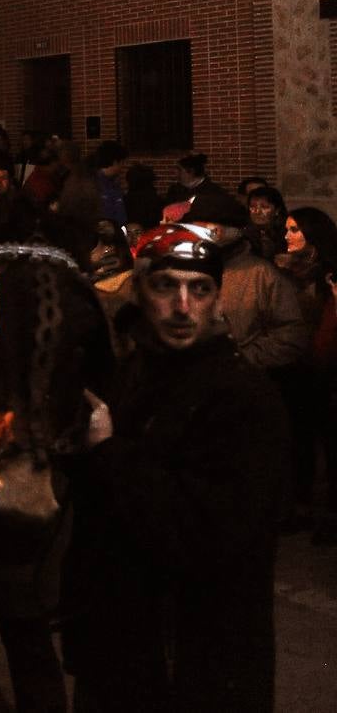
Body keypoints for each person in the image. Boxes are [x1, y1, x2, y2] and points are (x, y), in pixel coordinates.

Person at [62, 221, 285, 711]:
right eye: (166, 286)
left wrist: (108, 452)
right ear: (139, 291)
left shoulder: (242, 396)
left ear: (219, 301)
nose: (183, 307)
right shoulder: (131, 377)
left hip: (194, 669)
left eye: (200, 289)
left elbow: (206, 531)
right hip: (123, 658)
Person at [183, 194, 306, 372]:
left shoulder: (261, 274)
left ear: (218, 232)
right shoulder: (187, 269)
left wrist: (238, 360)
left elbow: (289, 336)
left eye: (198, 230)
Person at [274, 206, 337, 541]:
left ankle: (328, 515)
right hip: (295, 369)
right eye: (287, 228)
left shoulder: (328, 275)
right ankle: (298, 508)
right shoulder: (281, 272)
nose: (288, 236)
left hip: (326, 371)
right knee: (297, 441)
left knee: (329, 445)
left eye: (295, 229)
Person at [92, 140, 129, 227]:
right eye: (122, 162)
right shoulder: (94, 184)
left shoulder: (114, 183)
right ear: (115, 162)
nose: (123, 166)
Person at [248, 185, 287, 261]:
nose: (257, 212)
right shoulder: (244, 232)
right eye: (252, 206)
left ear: (277, 210)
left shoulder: (287, 233)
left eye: (265, 207)